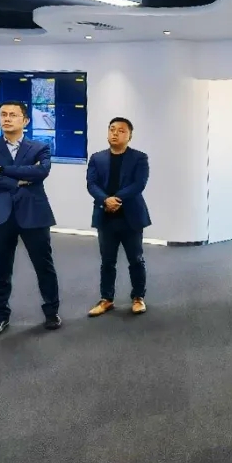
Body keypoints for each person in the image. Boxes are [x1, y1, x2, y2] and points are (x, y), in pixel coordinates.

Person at [0, 100, 61, 337]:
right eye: (3, 114)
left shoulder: (40, 147)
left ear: (25, 120)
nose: (7, 119)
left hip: (33, 212)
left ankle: (52, 312)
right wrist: (17, 181)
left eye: (13, 115)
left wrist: (2, 170)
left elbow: (41, 172)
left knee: (44, 265)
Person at [86, 117, 152, 317]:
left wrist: (116, 198)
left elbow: (139, 184)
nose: (115, 133)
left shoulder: (139, 158)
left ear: (130, 136)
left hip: (130, 216)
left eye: (121, 130)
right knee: (107, 261)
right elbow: (91, 184)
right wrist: (105, 200)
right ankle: (106, 299)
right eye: (112, 129)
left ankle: (138, 297)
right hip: (105, 216)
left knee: (136, 259)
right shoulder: (97, 158)